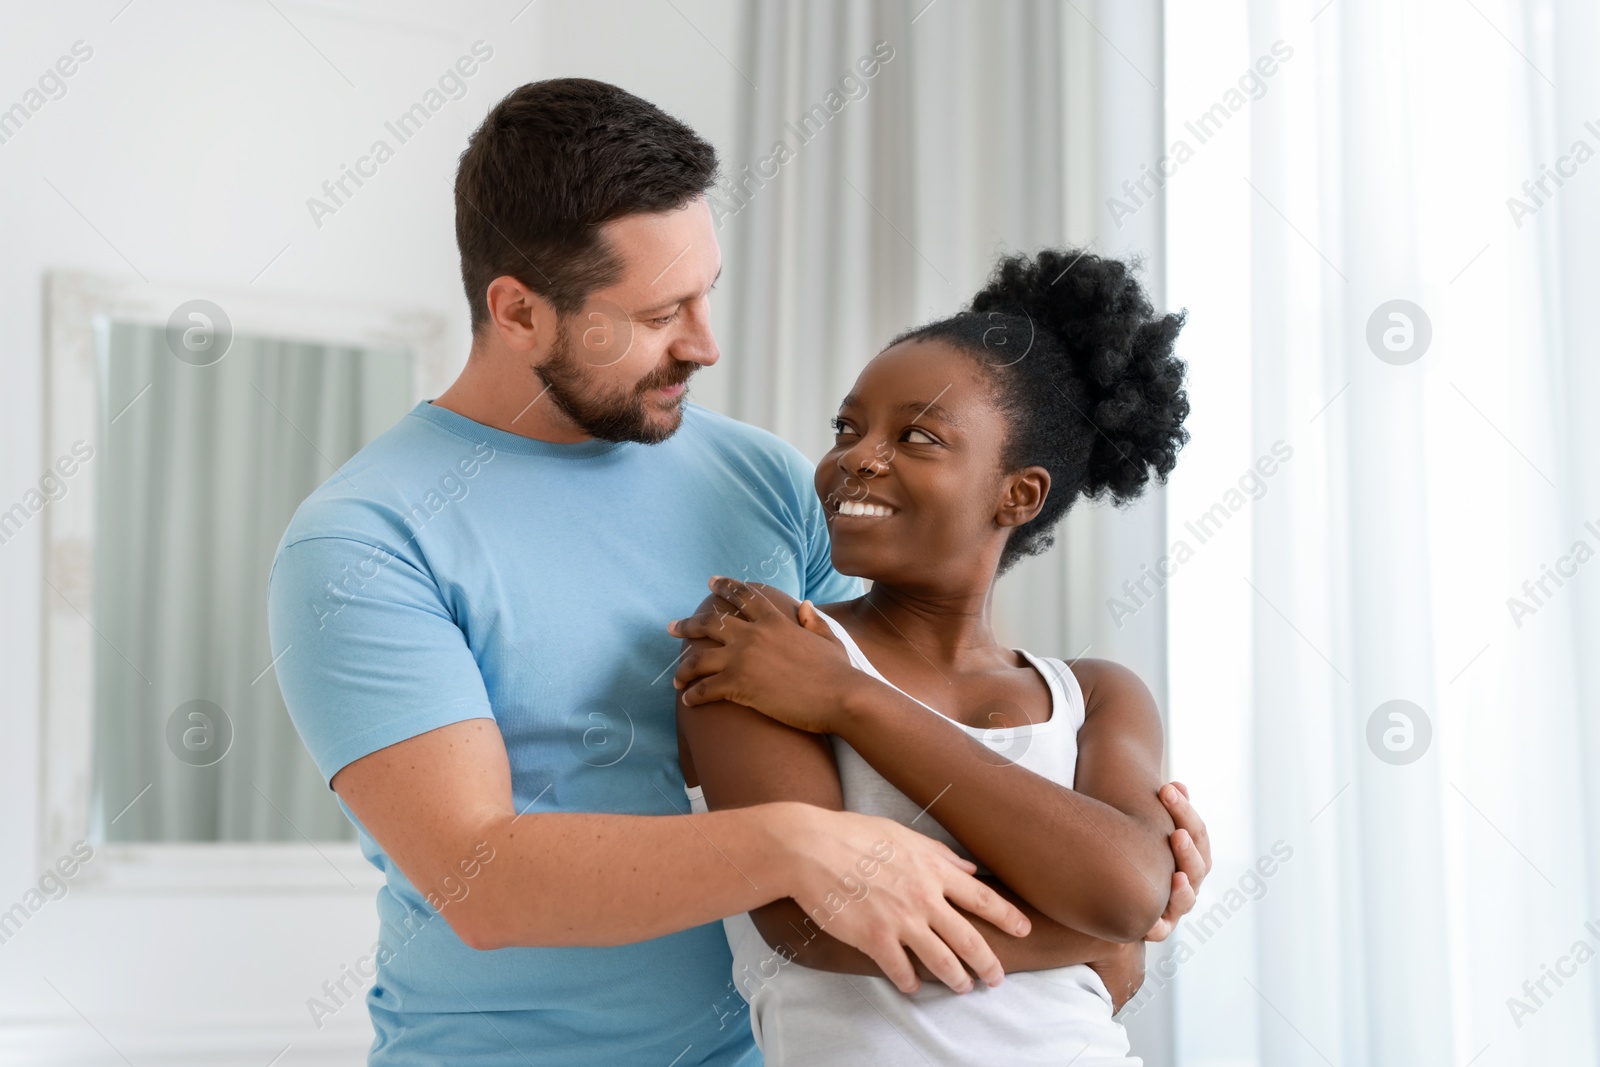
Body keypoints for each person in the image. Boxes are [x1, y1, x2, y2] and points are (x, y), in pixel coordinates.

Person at [266, 78, 1209, 1065]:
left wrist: (1107, 863)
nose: (704, 343)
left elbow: (882, 728)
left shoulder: (754, 474)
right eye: (658, 312)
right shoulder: (366, 539)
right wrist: (795, 843)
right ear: (518, 312)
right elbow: (478, 878)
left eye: (706, 290)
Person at [671, 247, 1192, 1065]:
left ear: (1018, 493)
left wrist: (853, 702)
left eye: (917, 436)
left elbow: (1129, 888)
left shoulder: (1095, 695)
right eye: (848, 427)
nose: (858, 457)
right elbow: (817, 919)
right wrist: (1092, 929)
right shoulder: (763, 641)